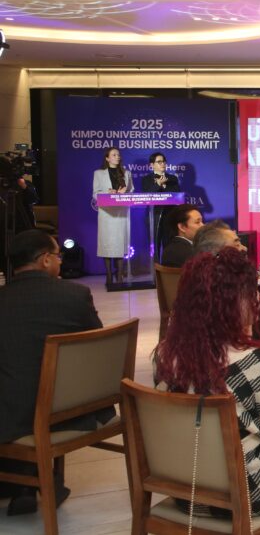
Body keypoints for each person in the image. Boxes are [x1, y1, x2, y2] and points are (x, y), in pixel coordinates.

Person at [153, 248, 260, 517]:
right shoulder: (252, 361)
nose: (258, 299)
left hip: (188, 489)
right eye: (250, 294)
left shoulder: (166, 355)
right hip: (247, 492)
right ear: (229, 304)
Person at [0, 230, 109, 515]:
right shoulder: (75, 295)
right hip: (68, 409)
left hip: (9, 414)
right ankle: (37, 481)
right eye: (59, 256)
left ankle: (24, 482)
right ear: (45, 260)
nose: (61, 261)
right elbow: (98, 345)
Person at [189, 221, 260, 351]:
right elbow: (250, 342)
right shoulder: (219, 289)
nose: (245, 248)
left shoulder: (204, 279)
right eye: (237, 244)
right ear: (218, 252)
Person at [91, 147, 133, 285]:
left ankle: (120, 275)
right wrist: (108, 194)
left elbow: (131, 191)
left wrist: (123, 194)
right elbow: (95, 193)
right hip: (107, 213)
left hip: (121, 212)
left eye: (118, 155)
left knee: (120, 244)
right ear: (107, 158)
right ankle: (109, 275)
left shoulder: (126, 173)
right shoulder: (98, 173)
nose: (117, 157)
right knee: (107, 244)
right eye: (114, 155)